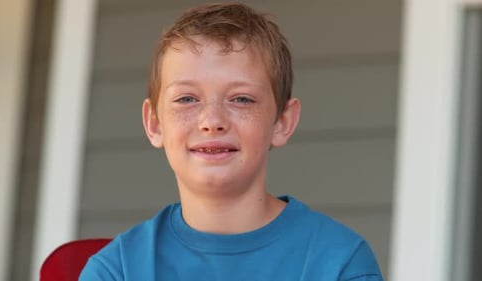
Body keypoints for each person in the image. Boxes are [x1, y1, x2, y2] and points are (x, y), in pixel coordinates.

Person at [79, 2, 383, 280]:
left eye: (241, 99)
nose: (212, 121)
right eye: (186, 98)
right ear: (154, 123)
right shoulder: (116, 270)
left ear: (283, 122)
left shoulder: (339, 263)